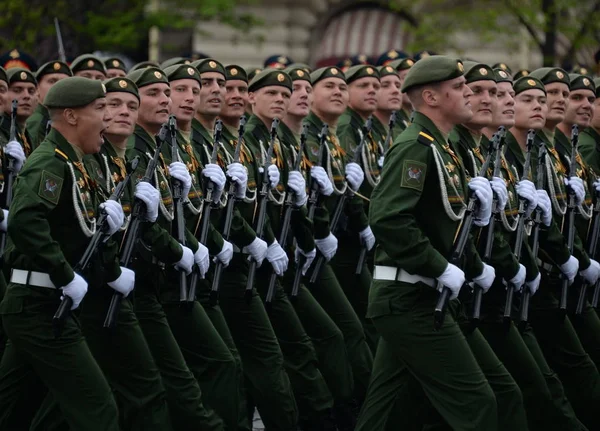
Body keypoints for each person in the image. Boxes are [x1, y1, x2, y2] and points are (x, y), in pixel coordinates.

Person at [356, 55, 500, 431]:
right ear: (432, 98)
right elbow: (388, 218)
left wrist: (473, 264)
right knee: (476, 402)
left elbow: (442, 224)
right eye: (459, 88)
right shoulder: (415, 147)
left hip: (415, 295)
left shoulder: (441, 146)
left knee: (387, 410)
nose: (468, 93)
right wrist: (438, 266)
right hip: (408, 297)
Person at [0, 76, 121, 430]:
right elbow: (24, 222)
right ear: (70, 116)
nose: (108, 118)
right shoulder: (49, 162)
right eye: (99, 109)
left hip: (43, 302)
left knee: (14, 409)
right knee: (98, 409)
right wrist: (64, 274)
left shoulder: (73, 161)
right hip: (39, 302)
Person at [126, 65, 225, 430]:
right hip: (146, 277)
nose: (167, 100)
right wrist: (183, 250)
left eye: (166, 93)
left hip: (172, 273)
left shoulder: (165, 144)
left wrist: (201, 245)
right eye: (156, 93)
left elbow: (186, 210)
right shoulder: (139, 147)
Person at [26, 60, 72, 148]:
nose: (58, 86)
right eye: (52, 81)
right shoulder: (34, 123)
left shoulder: (68, 121)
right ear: (37, 88)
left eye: (64, 82)